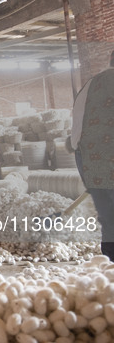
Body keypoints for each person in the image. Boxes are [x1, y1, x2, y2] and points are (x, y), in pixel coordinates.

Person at [70, 51, 114, 259]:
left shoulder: (90, 85)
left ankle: (109, 262)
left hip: (90, 162)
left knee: (108, 216)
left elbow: (75, 133)